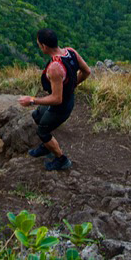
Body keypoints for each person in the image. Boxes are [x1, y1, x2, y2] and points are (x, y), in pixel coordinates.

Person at [18, 28, 90, 171]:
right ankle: (46, 147)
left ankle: (61, 159)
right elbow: (87, 71)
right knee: (37, 116)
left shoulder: (54, 69)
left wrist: (32, 100)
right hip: (67, 100)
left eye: (39, 44)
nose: (39, 47)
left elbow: (57, 99)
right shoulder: (71, 52)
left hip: (61, 107)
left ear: (44, 46)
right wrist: (72, 85)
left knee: (42, 132)